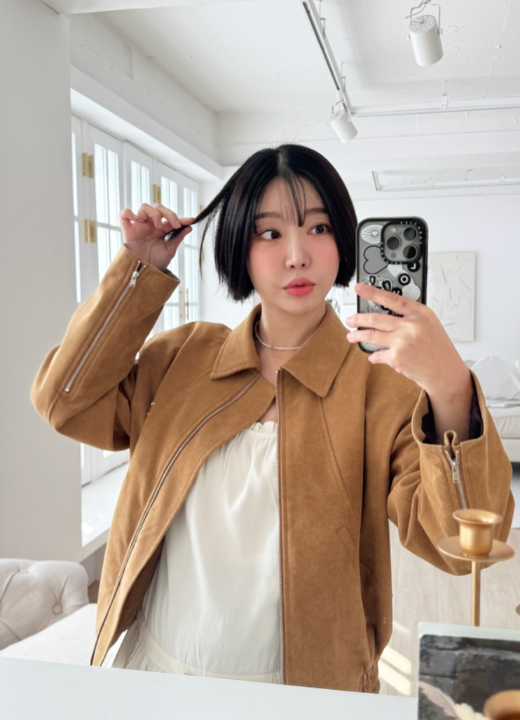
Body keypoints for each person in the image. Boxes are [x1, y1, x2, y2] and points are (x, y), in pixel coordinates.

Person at [31, 144, 513, 693]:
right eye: (270, 233)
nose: (297, 255)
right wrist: (137, 272)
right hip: (157, 674)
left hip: (307, 691)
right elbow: (64, 403)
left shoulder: (380, 387)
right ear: (240, 245)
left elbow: (461, 544)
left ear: (344, 239)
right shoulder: (184, 357)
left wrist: (449, 385)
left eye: (318, 227)